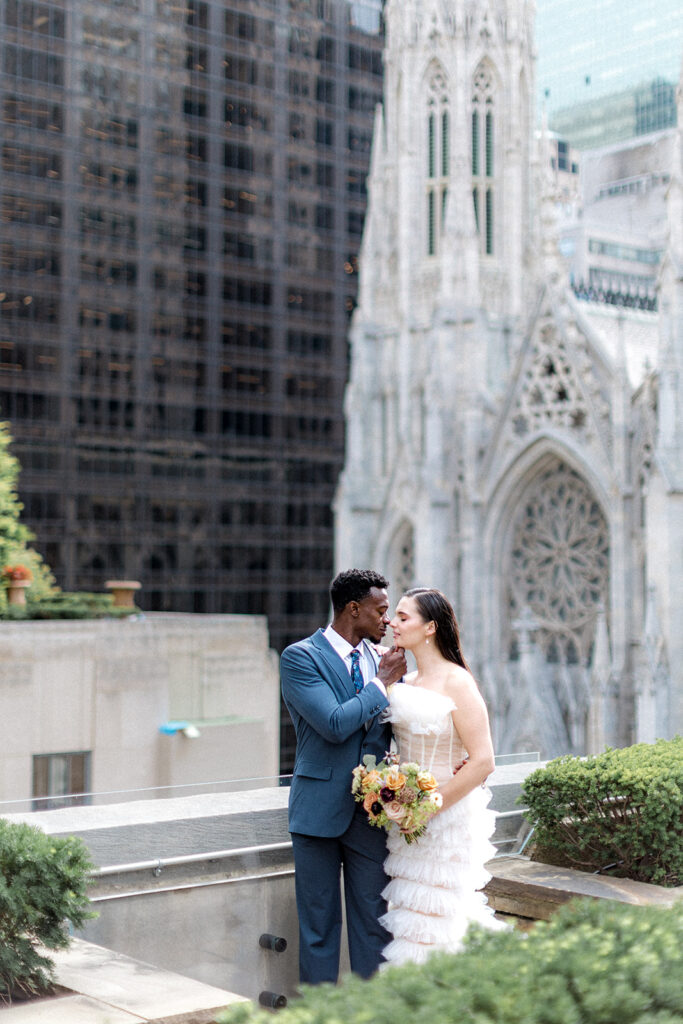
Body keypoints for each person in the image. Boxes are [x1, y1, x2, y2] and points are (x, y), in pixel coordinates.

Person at [281, 568, 407, 984]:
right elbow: (334, 724)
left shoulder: (380, 660)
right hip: (317, 815)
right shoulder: (300, 657)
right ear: (354, 609)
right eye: (381, 610)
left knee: (375, 924)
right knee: (319, 931)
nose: (387, 621)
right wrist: (382, 683)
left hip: (370, 814)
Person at [380, 587, 506, 965]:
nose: (392, 623)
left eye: (404, 617)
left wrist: (429, 806)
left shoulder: (458, 681)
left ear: (431, 627)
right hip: (404, 816)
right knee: (409, 917)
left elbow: (483, 761)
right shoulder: (406, 680)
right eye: (394, 615)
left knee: (441, 918)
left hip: (445, 816)